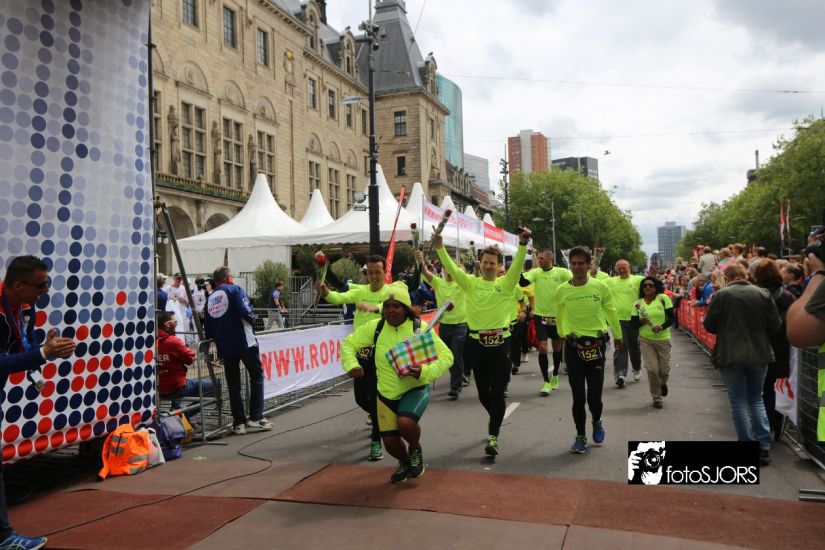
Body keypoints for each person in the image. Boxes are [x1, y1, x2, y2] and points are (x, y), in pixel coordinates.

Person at [341, 283, 452, 483]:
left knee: (405, 423)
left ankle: (415, 449)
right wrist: (351, 364)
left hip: (414, 388)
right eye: (387, 306)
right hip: (386, 393)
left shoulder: (419, 328)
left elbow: (447, 356)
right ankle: (405, 462)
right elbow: (349, 343)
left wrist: (425, 371)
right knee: (390, 443)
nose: (390, 310)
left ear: (406, 308)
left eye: (396, 306)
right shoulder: (376, 327)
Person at [1, 256, 76, 550]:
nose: (45, 290)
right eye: (41, 285)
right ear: (18, 286)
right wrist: (43, 354)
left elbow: (26, 344)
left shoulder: (25, 306)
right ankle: (4, 537)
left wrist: (45, 349)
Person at [436, 228, 530, 457]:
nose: (488, 266)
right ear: (479, 264)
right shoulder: (470, 283)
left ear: (499, 266)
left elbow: (518, 265)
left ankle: (493, 435)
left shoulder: (506, 284)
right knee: (482, 395)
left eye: (492, 263)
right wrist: (439, 248)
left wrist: (522, 244)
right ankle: (496, 416)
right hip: (476, 345)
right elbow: (451, 268)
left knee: (497, 392)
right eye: (485, 262)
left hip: (501, 345)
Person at [316, 255, 419, 461]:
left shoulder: (390, 292)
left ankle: (376, 441)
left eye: (377, 272)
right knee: (361, 398)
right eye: (370, 272)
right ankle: (378, 416)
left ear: (384, 273)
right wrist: (325, 290)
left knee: (377, 398)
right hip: (361, 354)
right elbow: (337, 298)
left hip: (382, 355)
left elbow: (399, 302)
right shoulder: (360, 291)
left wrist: (377, 308)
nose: (373, 276)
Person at [703, 263, 780, 465]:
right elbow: (775, 324)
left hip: (731, 353)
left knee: (738, 401)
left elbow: (709, 325)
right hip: (759, 352)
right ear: (745, 275)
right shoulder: (763, 294)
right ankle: (763, 446)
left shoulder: (722, 295)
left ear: (727, 278)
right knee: (756, 399)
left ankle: (746, 442)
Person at [555, 246, 622, 454]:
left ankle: (597, 420)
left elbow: (611, 310)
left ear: (589, 264)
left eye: (581, 263)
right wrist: (562, 333)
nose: (577, 267)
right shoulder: (562, 290)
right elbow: (559, 314)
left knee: (594, 397)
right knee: (578, 397)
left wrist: (618, 335)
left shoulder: (600, 287)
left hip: (596, 346)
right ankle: (580, 435)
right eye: (573, 263)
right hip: (574, 347)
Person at [204, 266, 274, 435]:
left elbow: (208, 326)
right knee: (257, 376)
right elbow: (246, 310)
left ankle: (239, 422)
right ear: (228, 278)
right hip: (244, 341)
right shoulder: (235, 289)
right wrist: (253, 320)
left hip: (224, 345)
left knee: (233, 383)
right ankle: (256, 417)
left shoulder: (210, 298)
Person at [750, 260, 796, 438]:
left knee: (763, 389)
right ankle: (775, 422)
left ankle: (765, 426)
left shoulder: (756, 295)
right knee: (775, 387)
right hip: (782, 347)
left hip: (761, 347)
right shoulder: (787, 296)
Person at [416, 250, 467, 400]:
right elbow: (424, 272)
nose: (448, 270)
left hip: (461, 324)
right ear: (443, 270)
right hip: (444, 325)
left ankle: (455, 387)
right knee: (448, 356)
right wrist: (420, 259)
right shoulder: (438, 283)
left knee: (456, 354)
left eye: (450, 268)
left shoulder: (462, 283)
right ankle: (459, 376)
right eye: (445, 267)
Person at [521, 249, 572, 396]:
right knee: (542, 348)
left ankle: (555, 374)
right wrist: (517, 270)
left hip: (557, 316)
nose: (540, 260)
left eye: (542, 258)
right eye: (539, 258)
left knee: (557, 348)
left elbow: (576, 281)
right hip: (540, 316)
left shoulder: (561, 272)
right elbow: (523, 282)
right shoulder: (536, 272)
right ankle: (545, 381)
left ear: (550, 258)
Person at [157, 311, 214, 410]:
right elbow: (190, 359)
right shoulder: (173, 341)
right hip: (175, 388)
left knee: (182, 381)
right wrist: (201, 355)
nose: (176, 324)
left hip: (158, 388)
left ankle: (176, 408)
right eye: (175, 322)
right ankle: (183, 414)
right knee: (213, 387)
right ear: (168, 325)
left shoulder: (150, 342)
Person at [631, 277, 674, 409]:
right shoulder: (638, 304)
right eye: (645, 285)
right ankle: (657, 397)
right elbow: (633, 324)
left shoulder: (663, 298)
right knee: (652, 369)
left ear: (656, 287)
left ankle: (662, 383)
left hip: (663, 340)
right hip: (646, 340)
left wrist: (661, 326)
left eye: (650, 285)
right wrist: (642, 322)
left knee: (664, 370)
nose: (647, 287)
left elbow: (672, 318)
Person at [606, 259, 643, 387]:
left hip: (634, 319)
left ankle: (636, 367)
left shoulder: (638, 279)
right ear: (616, 269)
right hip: (618, 320)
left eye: (624, 268)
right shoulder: (610, 281)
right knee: (621, 345)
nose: (622, 270)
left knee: (634, 346)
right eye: (619, 268)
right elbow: (595, 283)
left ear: (629, 267)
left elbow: (652, 285)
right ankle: (620, 374)